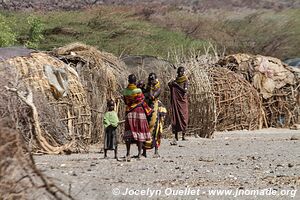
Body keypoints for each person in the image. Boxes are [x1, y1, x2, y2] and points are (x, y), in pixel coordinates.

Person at [123, 74, 152, 161]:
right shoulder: (138, 90)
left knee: (128, 133)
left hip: (129, 112)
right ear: (135, 81)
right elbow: (142, 99)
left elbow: (125, 101)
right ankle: (139, 153)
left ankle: (128, 153)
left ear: (128, 81)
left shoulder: (125, 91)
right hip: (139, 112)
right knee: (140, 131)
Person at [142, 73, 167, 157]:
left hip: (155, 110)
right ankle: (144, 151)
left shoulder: (158, 89)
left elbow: (152, 96)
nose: (150, 81)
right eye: (149, 79)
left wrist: (149, 88)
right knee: (145, 129)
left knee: (155, 130)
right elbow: (144, 94)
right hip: (147, 109)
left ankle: (156, 151)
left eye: (152, 79)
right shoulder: (149, 87)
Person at [168, 66, 189, 145]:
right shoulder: (175, 81)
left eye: (181, 72)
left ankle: (183, 136)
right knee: (176, 117)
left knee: (184, 118)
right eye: (179, 72)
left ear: (183, 72)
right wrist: (171, 85)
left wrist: (177, 86)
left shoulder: (185, 81)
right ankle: (176, 136)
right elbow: (172, 87)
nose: (180, 73)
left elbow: (184, 91)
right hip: (176, 102)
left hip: (183, 102)